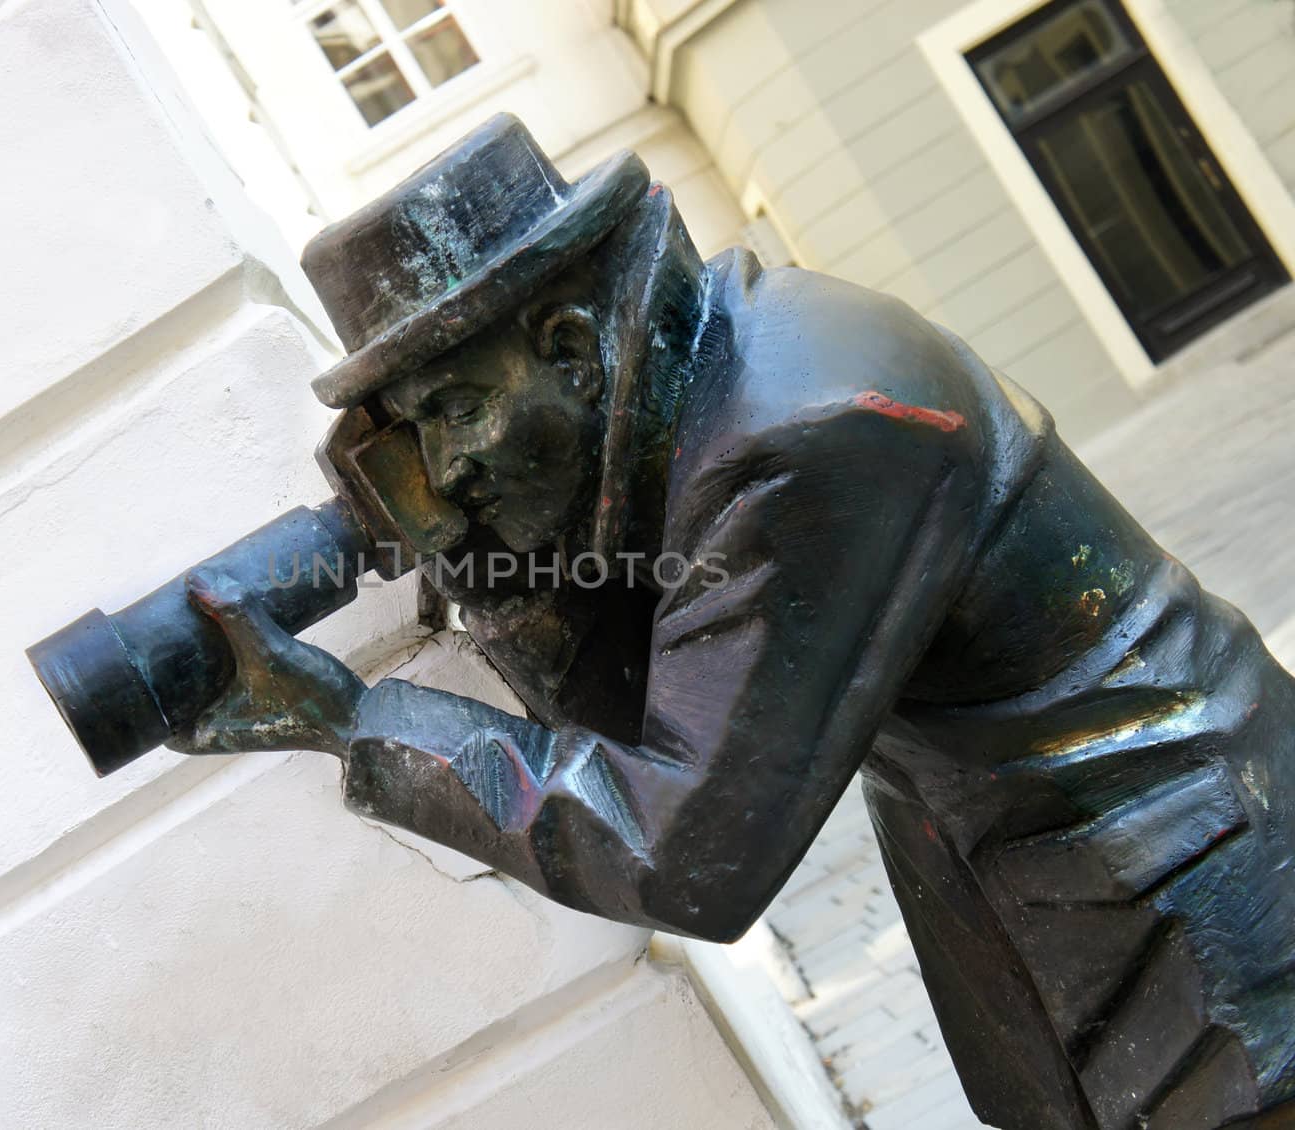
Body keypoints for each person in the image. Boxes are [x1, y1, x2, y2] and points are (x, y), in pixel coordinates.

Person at [169, 115, 1294, 1129]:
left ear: (570, 347)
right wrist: (488, 564)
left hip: (1194, 876)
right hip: (1049, 888)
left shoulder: (806, 426)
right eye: (418, 432)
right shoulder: (709, 380)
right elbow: (624, 718)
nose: (446, 466)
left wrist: (352, 719)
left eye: (457, 411)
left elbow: (683, 850)